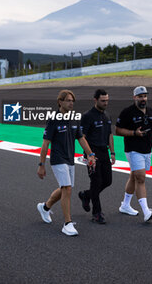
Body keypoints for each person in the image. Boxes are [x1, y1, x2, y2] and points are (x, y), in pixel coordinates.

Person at [37, 89, 96, 236]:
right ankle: (67, 223)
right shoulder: (53, 119)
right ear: (60, 102)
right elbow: (45, 143)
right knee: (67, 189)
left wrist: (91, 154)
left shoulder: (75, 118)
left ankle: (45, 207)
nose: (71, 103)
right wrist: (41, 165)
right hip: (58, 158)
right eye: (68, 100)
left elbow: (81, 138)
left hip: (70, 159)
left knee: (65, 189)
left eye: (72, 101)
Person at [115, 86, 152, 222]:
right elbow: (118, 130)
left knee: (134, 176)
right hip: (133, 149)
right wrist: (134, 133)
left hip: (147, 150)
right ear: (134, 97)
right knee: (141, 178)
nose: (143, 99)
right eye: (140, 96)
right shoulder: (127, 112)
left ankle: (125, 205)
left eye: (145, 96)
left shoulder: (151, 112)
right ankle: (146, 211)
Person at [78, 89, 115, 224]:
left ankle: (86, 195)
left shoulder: (107, 115)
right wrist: (89, 155)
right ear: (95, 100)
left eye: (107, 100)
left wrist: (112, 152)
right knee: (96, 182)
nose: (105, 103)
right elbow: (82, 137)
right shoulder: (87, 116)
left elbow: (110, 135)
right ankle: (97, 213)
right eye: (102, 101)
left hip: (104, 152)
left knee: (108, 181)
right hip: (92, 153)